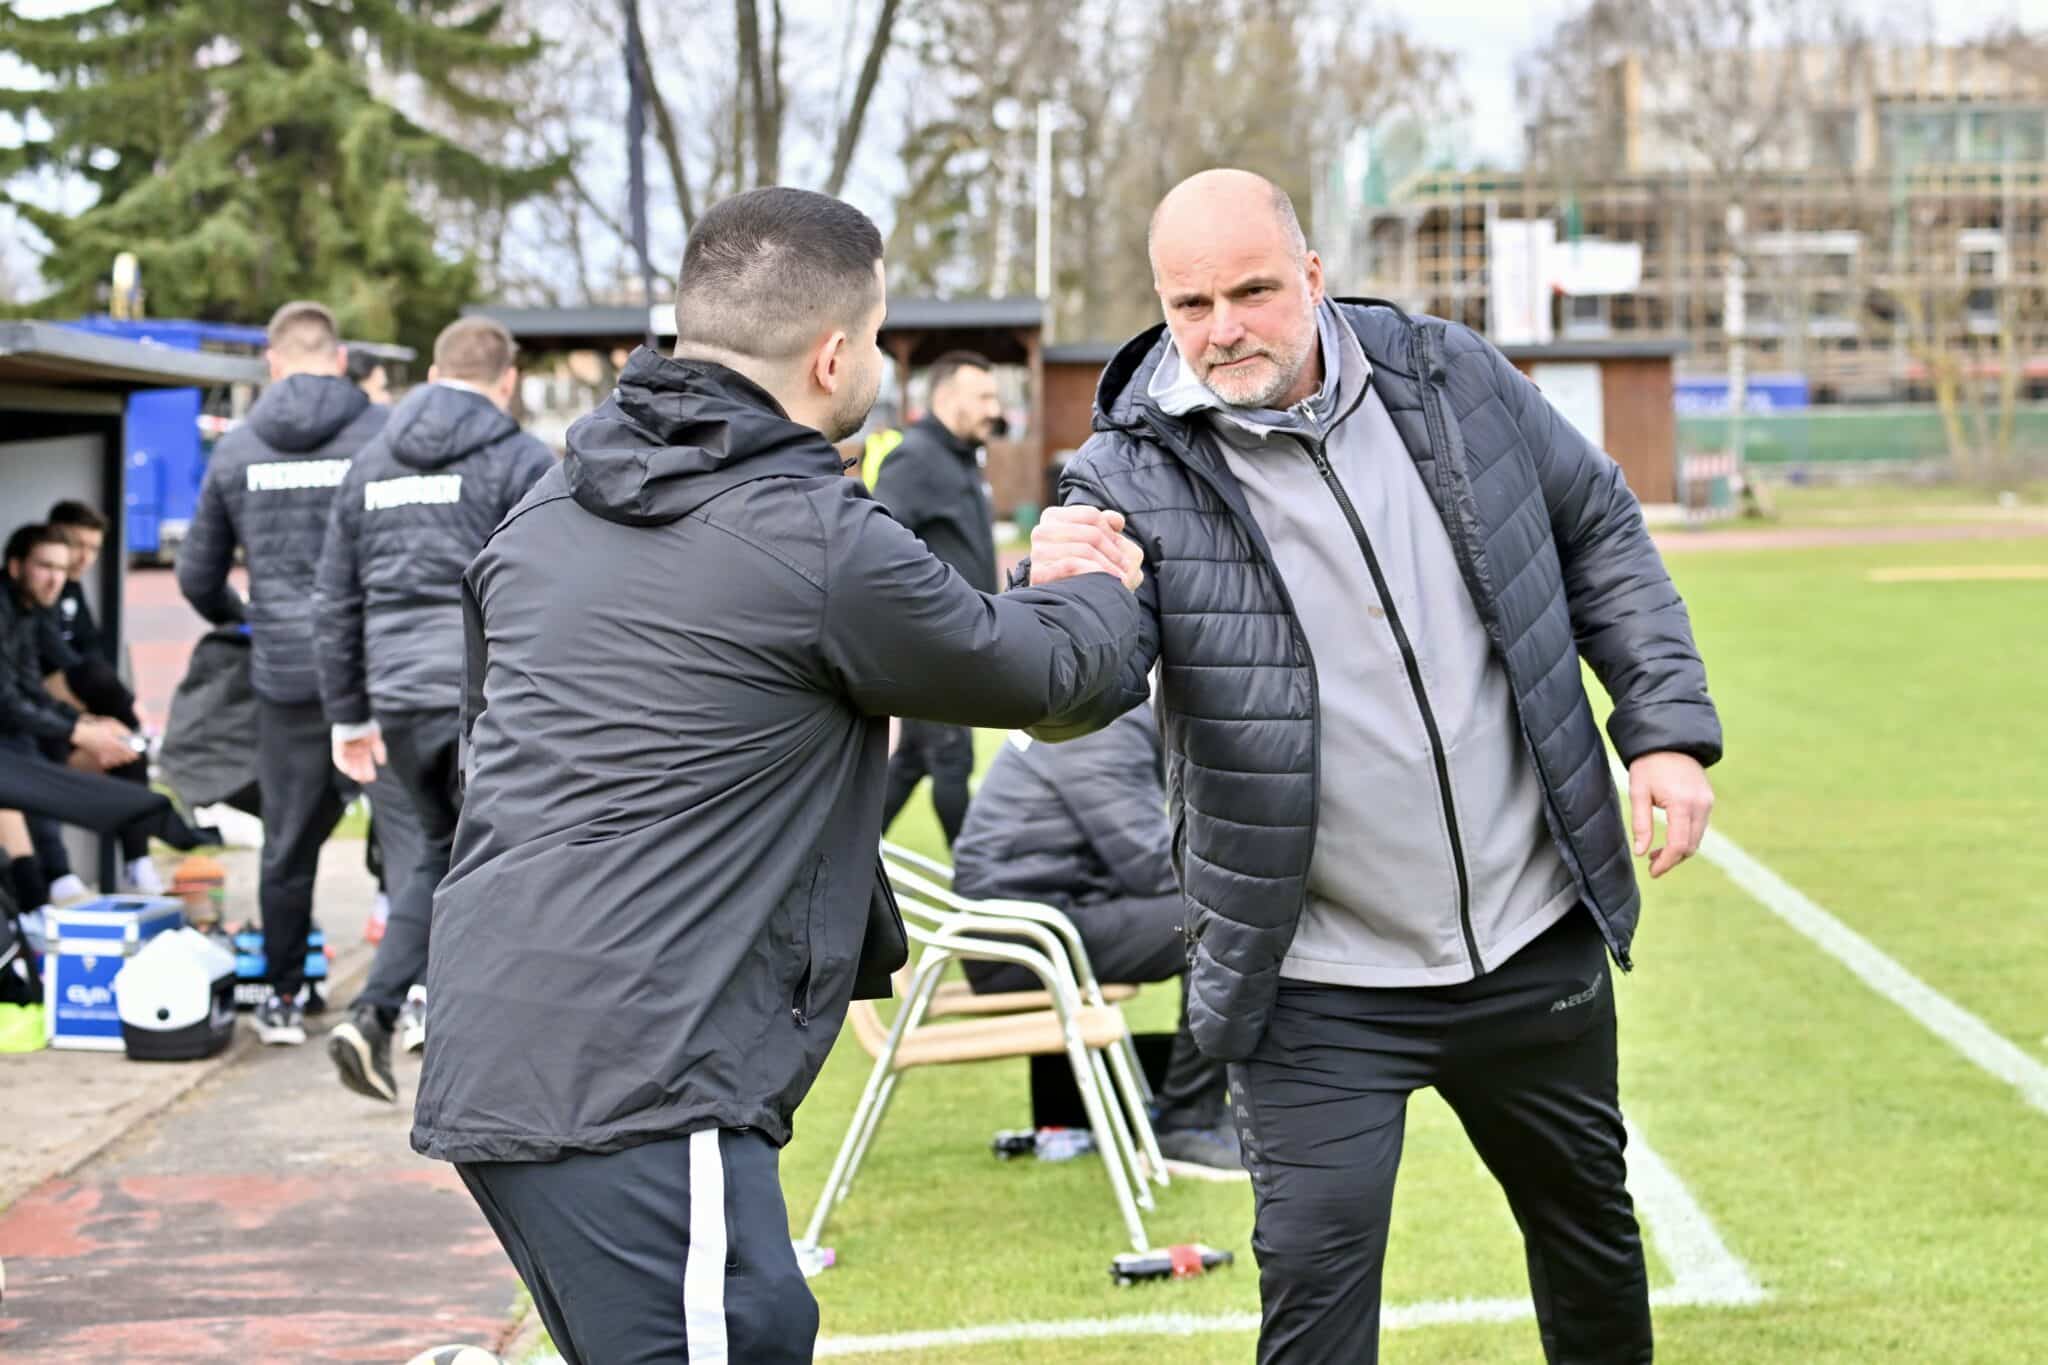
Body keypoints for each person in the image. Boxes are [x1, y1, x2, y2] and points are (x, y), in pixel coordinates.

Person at [411, 186, 1145, 1365]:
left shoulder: (545, 508)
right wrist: (1098, 575)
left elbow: (473, 760)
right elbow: (1047, 677)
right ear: (833, 354)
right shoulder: (808, 536)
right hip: (641, 1083)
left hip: (508, 1054)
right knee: (746, 1334)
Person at [1023, 169, 1721, 1364]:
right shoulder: (1122, 476)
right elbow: (1077, 688)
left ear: (1310, 275)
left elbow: (1596, 524)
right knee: (1312, 1284)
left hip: (1525, 933)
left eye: (1250, 290)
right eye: (1188, 304)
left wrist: (1659, 726)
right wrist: (1048, 599)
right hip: (1314, 980)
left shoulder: (1449, 377)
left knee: (1589, 1238)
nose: (1221, 328)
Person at [316, 316, 554, 1103]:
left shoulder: (369, 461)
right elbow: (541, 586)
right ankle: (466, 1038)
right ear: (508, 379)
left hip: (390, 699)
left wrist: (348, 715)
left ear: (430, 368)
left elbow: (336, 596)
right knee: (498, 864)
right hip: (482, 699)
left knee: (427, 858)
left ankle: (382, 1013)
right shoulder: (519, 458)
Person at [178, 300, 390, 1046]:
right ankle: (406, 998)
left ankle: (282, 996)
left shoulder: (237, 449)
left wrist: (244, 615)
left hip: (287, 675)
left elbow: (196, 575)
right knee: (414, 836)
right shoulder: (382, 432)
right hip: (379, 669)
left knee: (288, 847)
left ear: (271, 362)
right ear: (338, 358)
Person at [950, 699, 1238, 1175]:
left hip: (1027, 927)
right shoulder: (1101, 727)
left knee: (1222, 914)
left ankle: (1198, 1110)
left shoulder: (1086, 711)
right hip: (1023, 943)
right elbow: (1149, 863)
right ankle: (1185, 1122)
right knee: (1223, 923)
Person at [1, 527, 217, 907]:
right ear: (16, 566)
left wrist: (85, 725)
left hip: (25, 731)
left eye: (60, 569)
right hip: (13, 740)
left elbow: (29, 686)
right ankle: (53, 884)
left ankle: (133, 865)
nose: (55, 578)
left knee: (114, 752)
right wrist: (77, 730)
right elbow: (6, 700)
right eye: (44, 567)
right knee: (31, 775)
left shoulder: (29, 611)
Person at [871, 350, 1005, 847]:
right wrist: (927, 618)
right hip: (934, 645)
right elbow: (880, 543)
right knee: (951, 758)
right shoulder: (917, 457)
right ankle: (978, 882)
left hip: (959, 641)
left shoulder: (962, 458)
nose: (995, 407)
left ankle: (838, 855)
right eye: (984, 396)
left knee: (911, 763)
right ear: (947, 399)